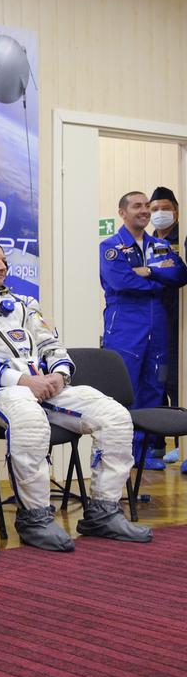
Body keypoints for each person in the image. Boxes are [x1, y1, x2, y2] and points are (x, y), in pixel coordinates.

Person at [0, 239, 151, 549]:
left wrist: (60, 375)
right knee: (28, 414)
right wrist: (24, 381)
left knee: (114, 416)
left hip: (41, 388)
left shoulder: (24, 304)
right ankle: (34, 517)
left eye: (4, 260)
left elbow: (51, 345)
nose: (2, 266)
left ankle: (103, 512)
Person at [99, 191, 187, 471]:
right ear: (122, 212)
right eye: (137, 206)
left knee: (153, 388)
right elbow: (122, 282)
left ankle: (147, 452)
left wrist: (149, 271)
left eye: (146, 206)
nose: (145, 211)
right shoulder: (111, 246)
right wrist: (160, 279)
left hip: (158, 330)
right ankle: (121, 455)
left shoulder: (159, 245)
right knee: (126, 393)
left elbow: (180, 275)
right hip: (125, 329)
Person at [149, 186, 183, 468]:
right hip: (154, 322)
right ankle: (156, 445)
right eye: (154, 208)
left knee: (176, 384)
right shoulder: (147, 243)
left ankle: (182, 446)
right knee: (156, 384)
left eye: (164, 208)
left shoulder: (181, 238)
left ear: (176, 209)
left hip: (179, 323)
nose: (159, 214)